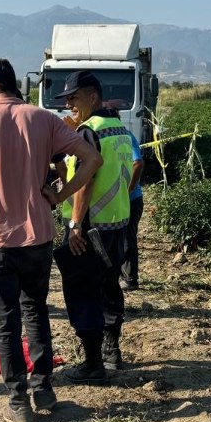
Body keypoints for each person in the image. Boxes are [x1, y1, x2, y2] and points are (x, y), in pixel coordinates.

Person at [0, 57, 103, 422]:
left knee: (6, 321)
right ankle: (44, 387)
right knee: (35, 311)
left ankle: (18, 400)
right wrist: (60, 194)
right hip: (36, 237)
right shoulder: (43, 119)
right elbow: (91, 158)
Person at [52, 71, 136, 385]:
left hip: (89, 228)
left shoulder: (90, 132)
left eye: (74, 98)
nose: (69, 105)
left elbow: (85, 183)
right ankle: (112, 351)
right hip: (117, 223)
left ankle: (92, 363)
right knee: (110, 288)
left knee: (83, 292)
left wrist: (75, 225)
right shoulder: (118, 128)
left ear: (92, 97)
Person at [121, 130, 145, 291]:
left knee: (127, 237)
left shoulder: (125, 136)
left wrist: (127, 191)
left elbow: (138, 163)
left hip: (131, 199)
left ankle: (130, 279)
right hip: (120, 199)